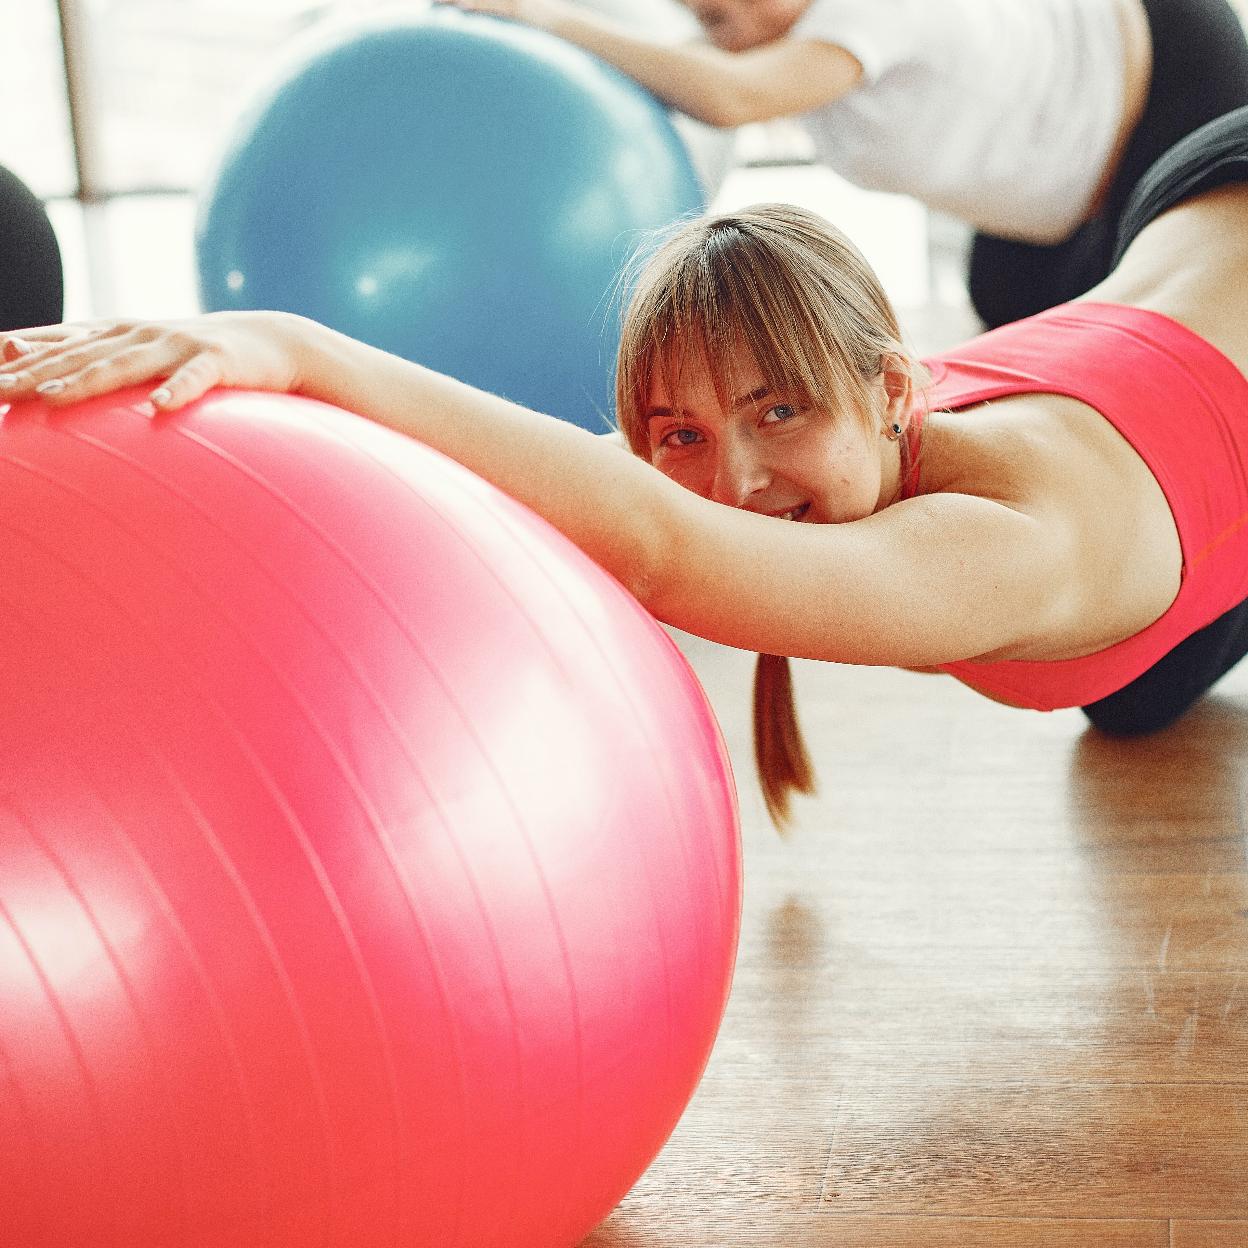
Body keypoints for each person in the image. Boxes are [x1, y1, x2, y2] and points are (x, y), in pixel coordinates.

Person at [5, 108, 1248, 826]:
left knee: (1125, 661)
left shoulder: (1010, 548)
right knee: (1133, 691)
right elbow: (537, 491)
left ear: (892, 387)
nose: (738, 481)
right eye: (681, 436)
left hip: (1206, 228)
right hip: (1187, 241)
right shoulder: (831, 428)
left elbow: (663, 548)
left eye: (778, 415)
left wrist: (295, 346)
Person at [434, 0, 1248, 329]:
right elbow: (692, 82)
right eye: (711, 19)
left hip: (1175, 88)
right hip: (1068, 214)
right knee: (1008, 296)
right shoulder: (782, 48)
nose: (733, 27)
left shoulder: (871, 8)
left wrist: (536, 14)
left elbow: (727, 95)